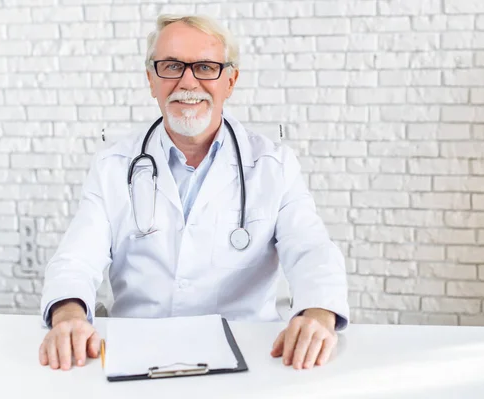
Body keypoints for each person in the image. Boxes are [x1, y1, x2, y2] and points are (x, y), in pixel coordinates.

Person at [38, 14, 349, 372]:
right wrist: (67, 316)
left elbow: (312, 251)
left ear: (230, 81)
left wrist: (318, 314)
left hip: (249, 355)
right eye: (171, 66)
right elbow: (76, 259)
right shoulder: (113, 165)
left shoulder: (272, 164)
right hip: (139, 353)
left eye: (205, 67)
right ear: (151, 80)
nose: (187, 81)